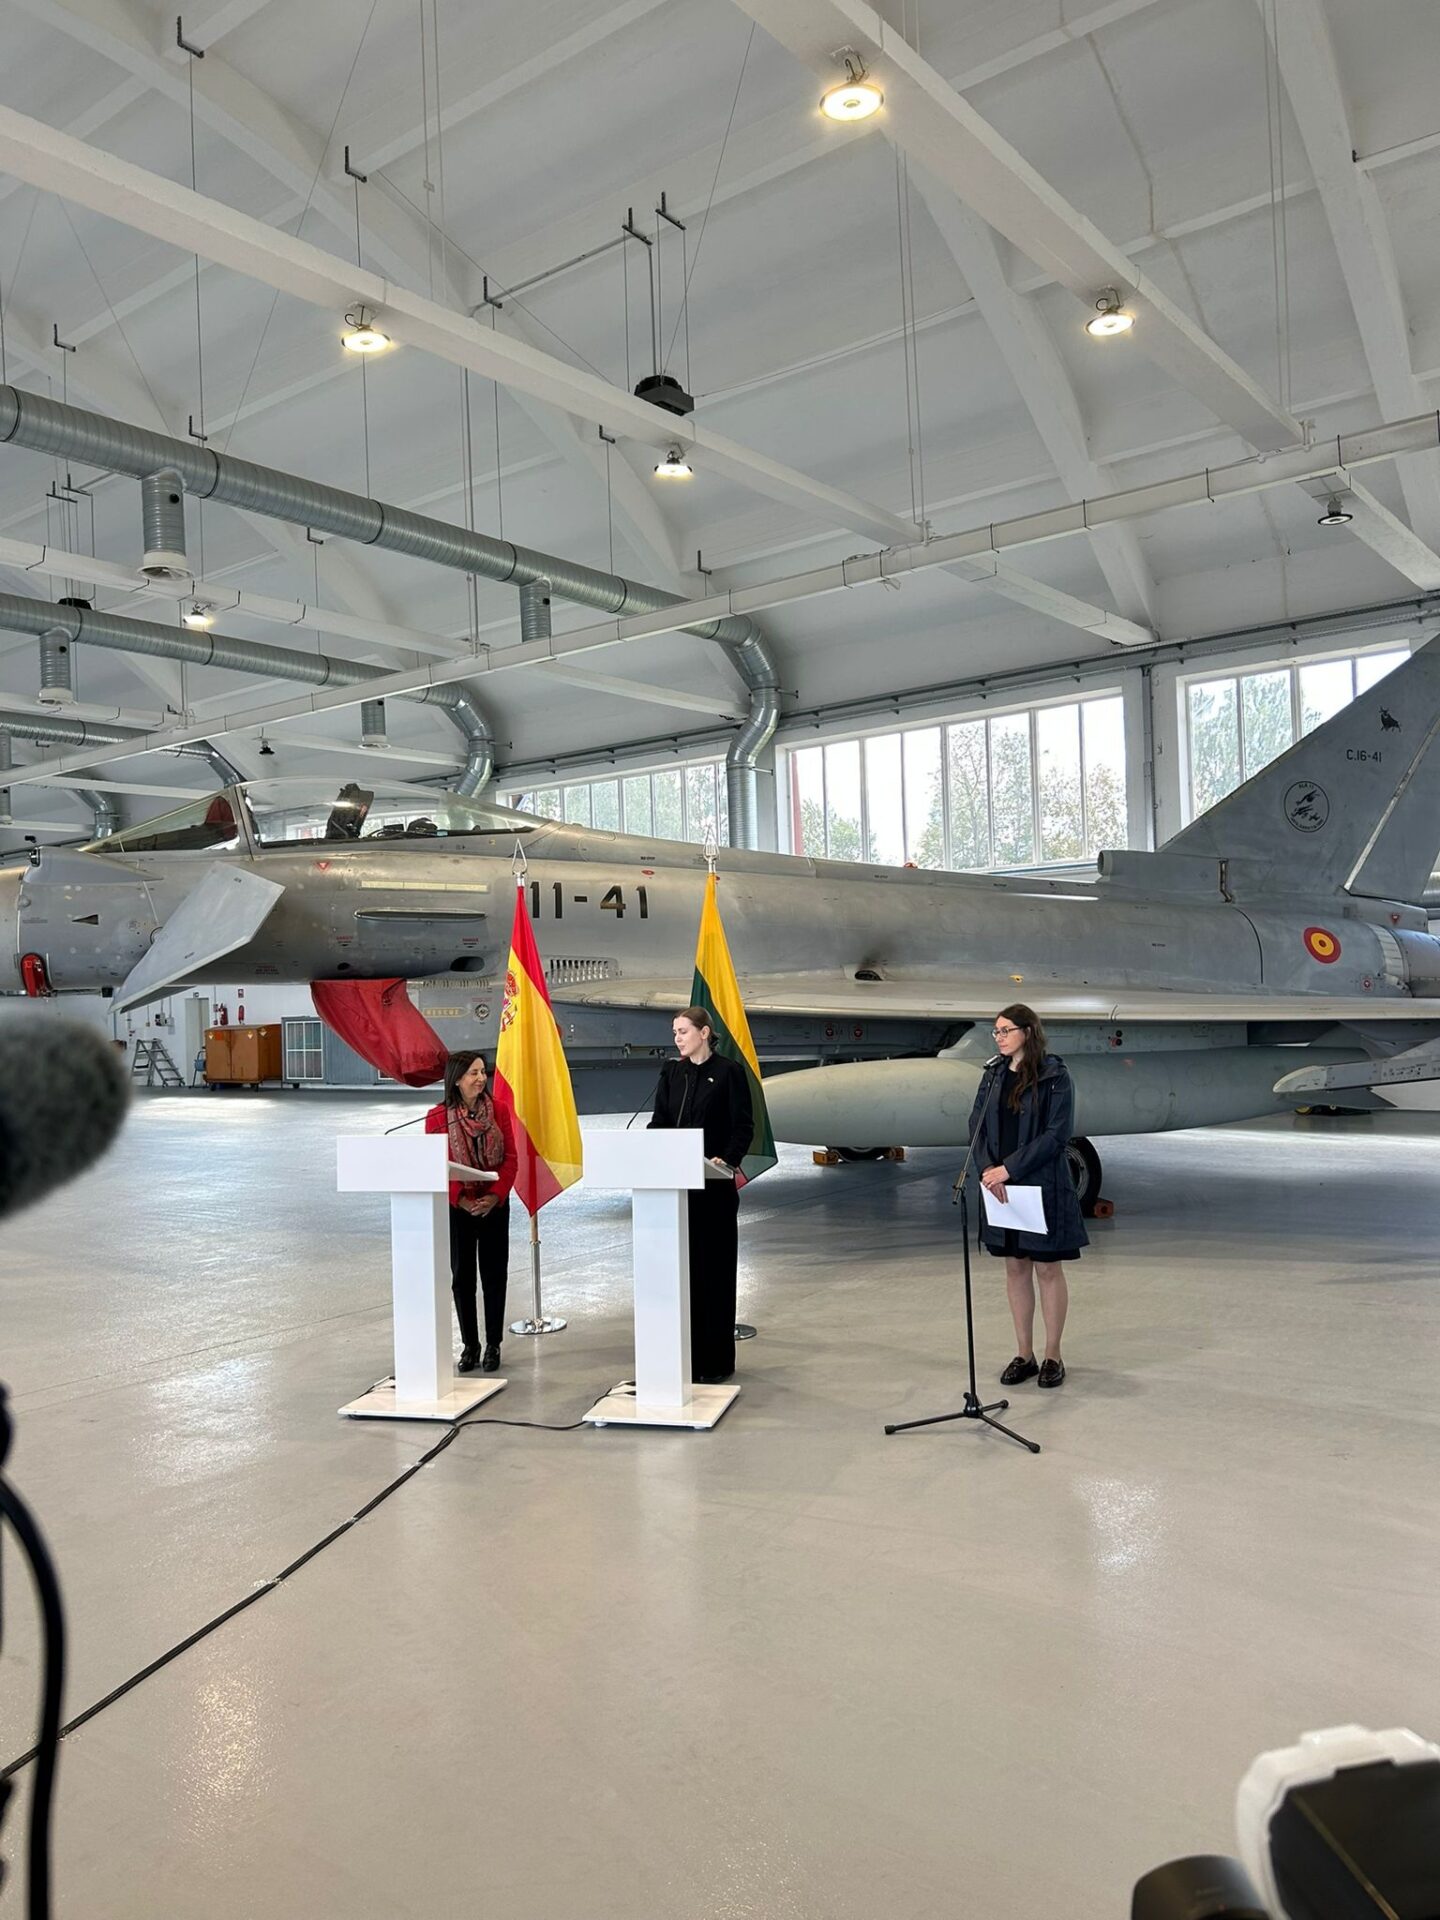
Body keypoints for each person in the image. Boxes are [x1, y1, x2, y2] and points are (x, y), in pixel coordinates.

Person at [966, 1003, 1087, 1390]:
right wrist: (988, 1170)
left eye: (1006, 1030)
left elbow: (1056, 1135)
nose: (999, 1037)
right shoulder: (993, 1074)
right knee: (1015, 1268)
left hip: (1040, 1186)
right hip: (999, 1187)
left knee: (1047, 1270)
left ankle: (1053, 1355)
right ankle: (1024, 1354)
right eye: (996, 1031)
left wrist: (1009, 1169)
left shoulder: (1055, 1075)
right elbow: (976, 1124)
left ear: (1028, 1032)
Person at [648, 1006, 753, 1384]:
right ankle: (685, 1361)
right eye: (674, 1032)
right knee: (685, 1277)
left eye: (683, 1031)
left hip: (714, 1191)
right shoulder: (672, 1073)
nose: (677, 1038)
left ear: (704, 1033)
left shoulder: (728, 1072)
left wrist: (728, 1158)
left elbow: (743, 1126)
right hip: (678, 1192)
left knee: (715, 1275)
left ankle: (716, 1364)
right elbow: (660, 1122)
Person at [425, 1049, 517, 1374]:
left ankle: (493, 1344)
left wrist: (494, 1196)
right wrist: (461, 1200)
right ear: (456, 1079)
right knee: (462, 1278)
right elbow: (434, 1165)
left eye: (482, 1072)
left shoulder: (500, 1110)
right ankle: (470, 1345)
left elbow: (511, 1160)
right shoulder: (438, 1117)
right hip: (459, 1208)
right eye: (473, 1073)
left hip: (494, 1206)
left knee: (494, 1276)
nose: (480, 1079)